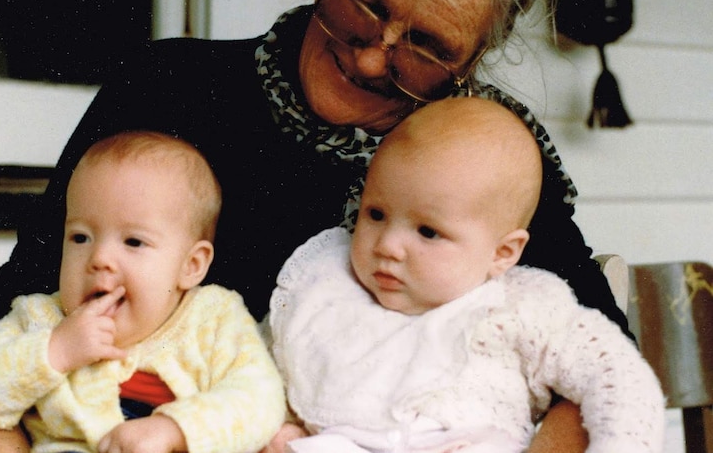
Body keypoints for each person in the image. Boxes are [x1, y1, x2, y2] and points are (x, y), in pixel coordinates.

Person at [0, 0, 631, 452]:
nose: (368, 57)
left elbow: (601, 371)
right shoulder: (167, 89)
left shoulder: (483, 164)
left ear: (470, 63)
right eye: (362, 5)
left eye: (424, 47)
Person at [269, 97, 665, 453]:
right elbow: (261, 370)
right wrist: (280, 430)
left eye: (427, 231)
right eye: (375, 214)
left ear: (502, 253)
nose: (387, 245)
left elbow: (620, 379)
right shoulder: (325, 283)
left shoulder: (524, 307)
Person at [0, 132, 286, 453]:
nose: (99, 258)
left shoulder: (214, 319)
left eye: (133, 241)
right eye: (80, 237)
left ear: (191, 265)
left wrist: (174, 430)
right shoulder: (41, 319)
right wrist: (53, 352)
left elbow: (261, 398)